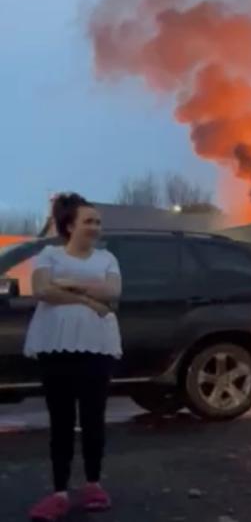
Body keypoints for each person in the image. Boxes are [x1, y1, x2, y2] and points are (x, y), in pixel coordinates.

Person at [25, 193, 122, 521]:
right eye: (88, 221)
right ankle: (59, 492)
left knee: (94, 418)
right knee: (61, 421)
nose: (95, 227)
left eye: (97, 221)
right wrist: (89, 301)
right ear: (70, 226)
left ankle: (94, 484)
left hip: (98, 347)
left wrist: (67, 284)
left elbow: (113, 292)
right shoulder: (49, 253)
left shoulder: (107, 258)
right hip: (56, 345)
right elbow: (41, 290)